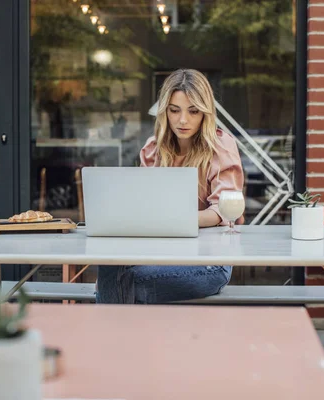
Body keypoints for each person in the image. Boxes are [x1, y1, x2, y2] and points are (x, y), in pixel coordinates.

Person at [96, 69, 245, 304]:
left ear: (205, 113)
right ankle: (118, 334)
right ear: (165, 111)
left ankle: (110, 337)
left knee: (118, 281)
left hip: (209, 264)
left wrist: (174, 219)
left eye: (193, 111)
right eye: (174, 110)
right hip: (160, 254)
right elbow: (145, 207)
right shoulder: (154, 148)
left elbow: (223, 212)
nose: (182, 120)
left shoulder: (221, 145)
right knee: (111, 268)